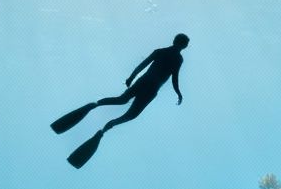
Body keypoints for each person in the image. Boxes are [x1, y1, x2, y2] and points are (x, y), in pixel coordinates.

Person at [51, 34, 188, 166]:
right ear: (184, 45)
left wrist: (131, 77)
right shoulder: (177, 59)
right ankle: (104, 130)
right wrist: (178, 93)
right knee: (130, 115)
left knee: (121, 100)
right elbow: (173, 77)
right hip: (151, 89)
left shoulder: (161, 52)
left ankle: (95, 106)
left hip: (144, 83)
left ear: (175, 41)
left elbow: (142, 66)